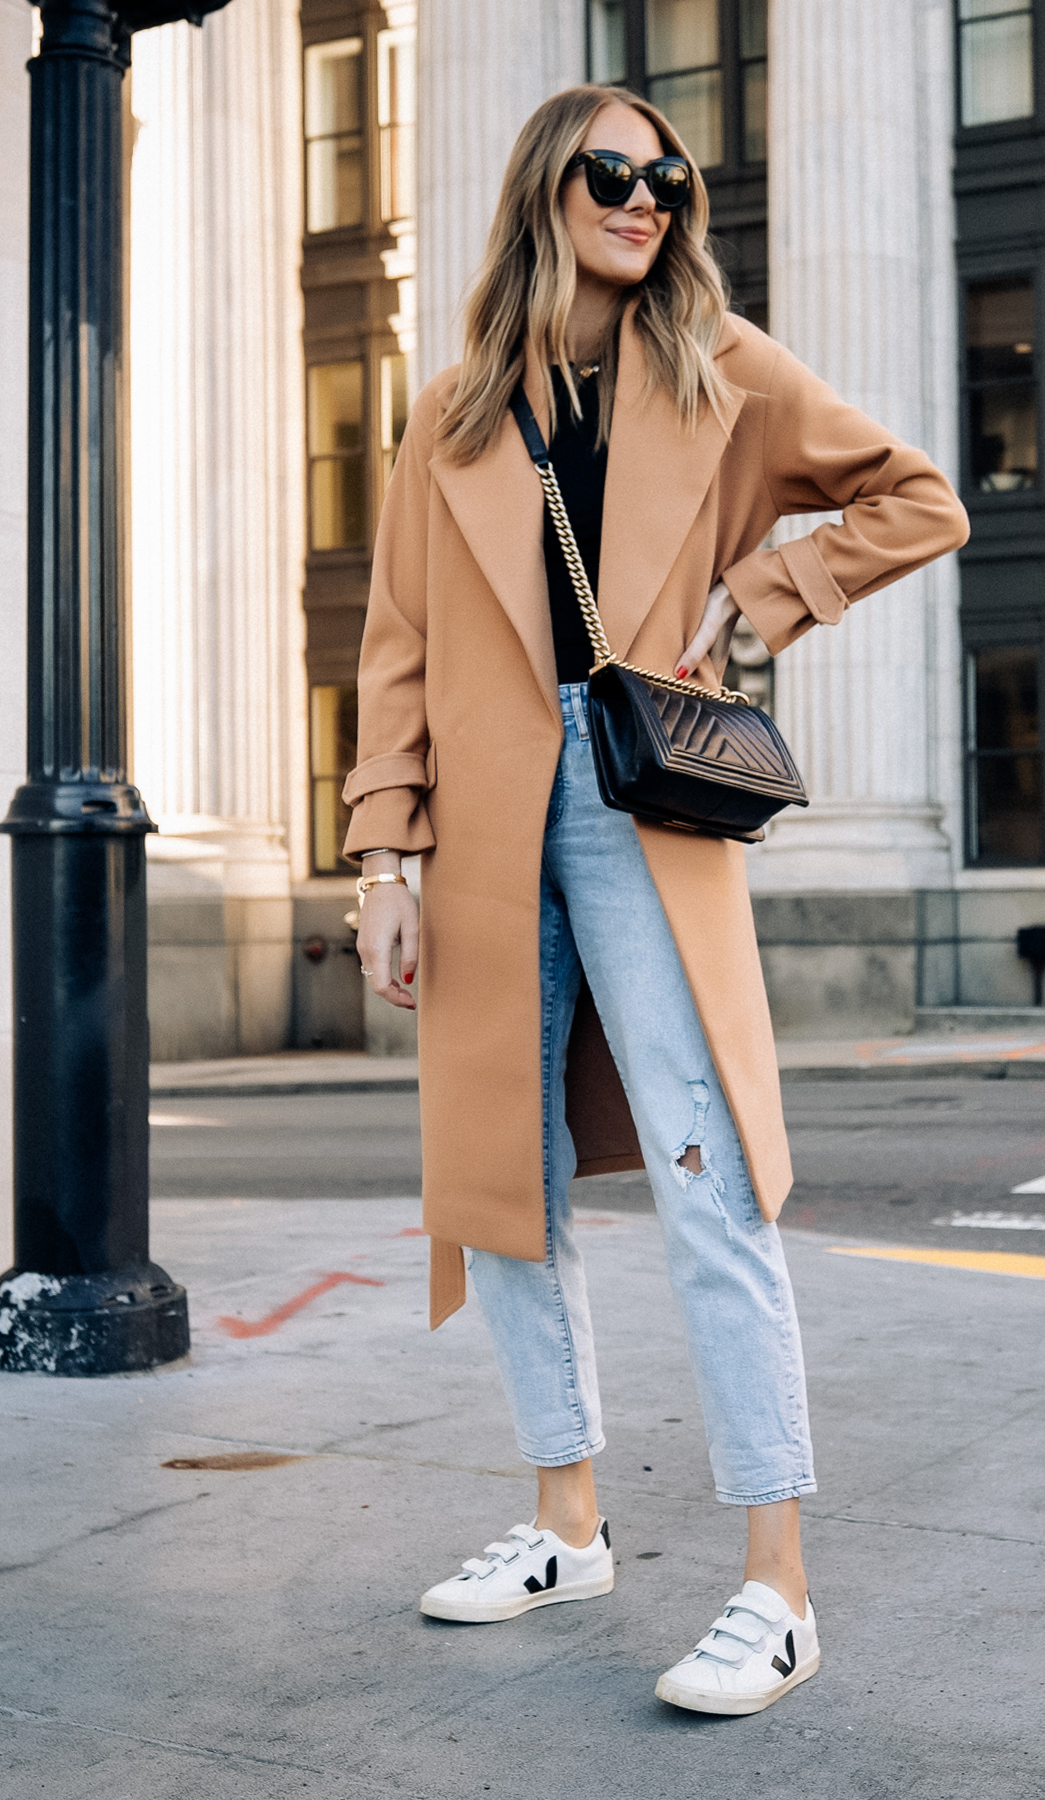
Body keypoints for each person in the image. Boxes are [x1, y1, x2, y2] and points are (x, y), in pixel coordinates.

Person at [346, 84, 968, 1716]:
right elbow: (397, 648)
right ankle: (567, 1522)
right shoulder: (456, 413)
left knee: (709, 1183)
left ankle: (779, 1584)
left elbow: (919, 499)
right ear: (547, 189)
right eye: (615, 173)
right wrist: (384, 856)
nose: (649, 199)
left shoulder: (720, 367)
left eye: (668, 178)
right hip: (484, 831)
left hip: (639, 808)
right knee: (504, 1182)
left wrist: (758, 596)